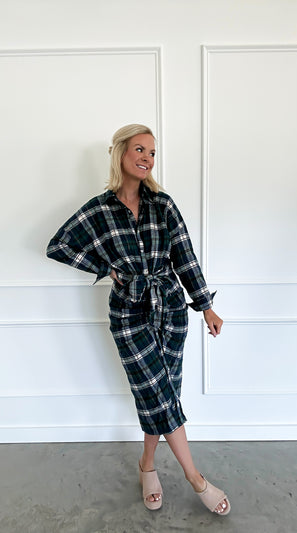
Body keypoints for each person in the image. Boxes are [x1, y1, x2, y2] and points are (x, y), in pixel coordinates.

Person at [46, 124, 230, 515]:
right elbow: (58, 245)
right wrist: (107, 269)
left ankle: (147, 465)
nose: (147, 158)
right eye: (139, 150)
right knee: (158, 393)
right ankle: (196, 478)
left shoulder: (163, 205)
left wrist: (205, 306)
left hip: (171, 310)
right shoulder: (99, 209)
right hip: (129, 313)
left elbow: (185, 258)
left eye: (152, 152)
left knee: (161, 395)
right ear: (120, 154)